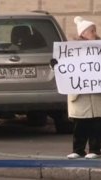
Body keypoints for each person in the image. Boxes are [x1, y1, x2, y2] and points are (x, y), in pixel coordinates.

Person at [67, 16, 101, 159]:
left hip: (96, 94)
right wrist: (54, 64)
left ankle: (95, 150)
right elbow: (63, 68)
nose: (94, 33)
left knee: (96, 124)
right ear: (83, 33)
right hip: (79, 95)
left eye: (94, 30)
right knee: (79, 124)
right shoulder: (72, 50)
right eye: (91, 31)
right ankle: (78, 149)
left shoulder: (99, 48)